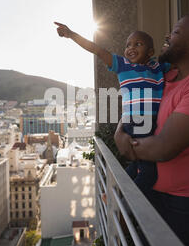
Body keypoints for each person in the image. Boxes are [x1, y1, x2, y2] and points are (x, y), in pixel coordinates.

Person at [114, 13, 189, 246]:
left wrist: (126, 144)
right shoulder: (165, 79)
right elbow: (137, 108)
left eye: (176, 32)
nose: (167, 36)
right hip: (158, 194)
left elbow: (163, 148)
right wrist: (119, 131)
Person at [54, 21, 171, 197]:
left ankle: (114, 192)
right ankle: (126, 202)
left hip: (154, 122)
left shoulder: (157, 68)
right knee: (149, 172)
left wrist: (172, 45)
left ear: (150, 52)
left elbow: (174, 59)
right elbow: (97, 50)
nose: (131, 48)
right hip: (138, 122)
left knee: (139, 165)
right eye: (128, 45)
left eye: (138, 44)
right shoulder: (123, 65)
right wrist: (72, 35)